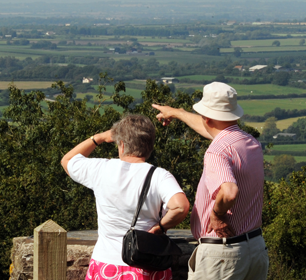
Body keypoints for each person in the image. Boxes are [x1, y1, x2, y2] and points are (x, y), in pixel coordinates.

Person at [152, 82, 268, 279]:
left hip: (223, 255)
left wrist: (217, 213)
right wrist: (177, 112)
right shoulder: (250, 142)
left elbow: (229, 191)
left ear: (206, 117)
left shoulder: (217, 151)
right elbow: (213, 130)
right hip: (255, 248)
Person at [61, 114, 190, 279]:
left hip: (106, 263)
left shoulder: (101, 169)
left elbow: (67, 160)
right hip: (148, 265)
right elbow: (180, 206)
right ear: (150, 145)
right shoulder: (159, 176)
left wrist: (99, 137)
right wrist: (160, 227)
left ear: (121, 144)